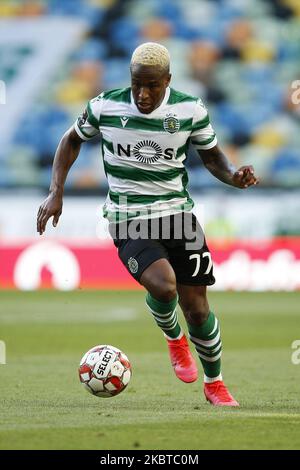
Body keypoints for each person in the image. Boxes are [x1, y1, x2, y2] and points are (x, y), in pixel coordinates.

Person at [37, 42, 259, 406]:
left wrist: (235, 175)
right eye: (137, 83)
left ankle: (215, 383)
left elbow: (213, 158)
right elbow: (71, 140)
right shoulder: (105, 105)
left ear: (167, 80)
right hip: (129, 217)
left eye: (152, 85)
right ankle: (175, 340)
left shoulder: (189, 109)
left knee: (198, 308)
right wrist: (55, 191)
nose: (143, 93)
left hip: (178, 216)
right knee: (164, 286)